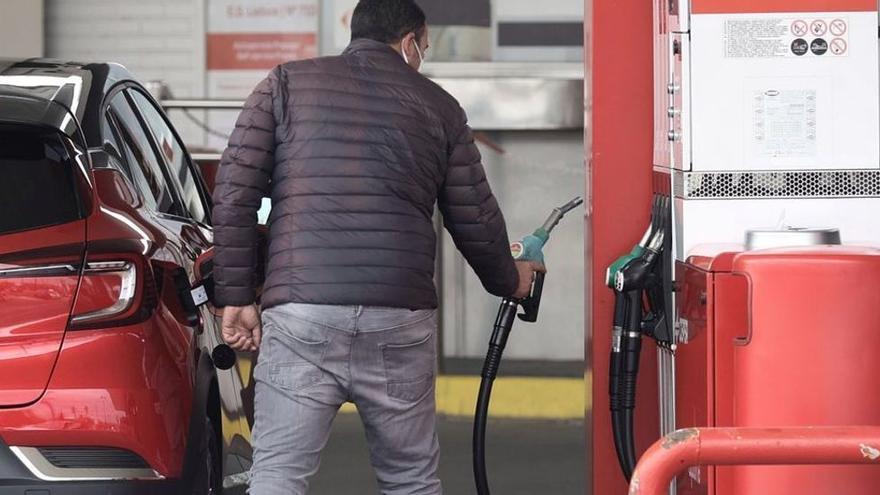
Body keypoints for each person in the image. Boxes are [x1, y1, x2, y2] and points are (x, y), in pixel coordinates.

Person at [211, 0, 544, 493]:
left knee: (278, 475)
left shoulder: (283, 85)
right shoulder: (440, 107)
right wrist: (512, 280)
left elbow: (234, 195)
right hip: (399, 318)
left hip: (303, 313)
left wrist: (235, 296)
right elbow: (473, 218)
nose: (423, 57)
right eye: (424, 48)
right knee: (410, 479)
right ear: (410, 42)